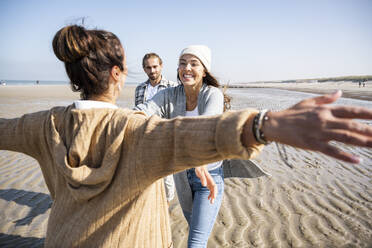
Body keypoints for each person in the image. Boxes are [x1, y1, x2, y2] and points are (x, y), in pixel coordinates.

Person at [0, 25, 371, 248]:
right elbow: (187, 135)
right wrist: (264, 125)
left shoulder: (42, 125)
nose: (185, 68)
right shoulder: (140, 133)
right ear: (120, 73)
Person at [135, 45, 269, 247]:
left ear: (204, 69)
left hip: (209, 179)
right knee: (196, 236)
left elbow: (207, 126)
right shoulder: (170, 94)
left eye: (194, 63)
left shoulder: (212, 94)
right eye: (182, 63)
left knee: (195, 243)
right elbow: (143, 110)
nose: (187, 68)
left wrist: (199, 158)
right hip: (182, 179)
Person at [134, 53, 178, 204]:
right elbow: (138, 114)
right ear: (144, 69)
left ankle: (166, 206)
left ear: (161, 66)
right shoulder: (140, 89)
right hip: (146, 139)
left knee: (167, 178)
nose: (152, 70)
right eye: (148, 67)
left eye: (155, 66)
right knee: (146, 176)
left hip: (166, 138)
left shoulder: (172, 87)